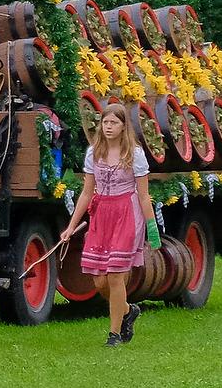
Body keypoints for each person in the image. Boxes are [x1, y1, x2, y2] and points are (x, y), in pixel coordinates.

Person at [60, 102, 158, 344]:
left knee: (115, 276)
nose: (108, 127)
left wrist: (152, 228)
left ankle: (114, 334)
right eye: (105, 122)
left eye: (114, 122)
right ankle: (126, 310)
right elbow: (86, 193)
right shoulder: (94, 152)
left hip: (126, 213)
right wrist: (71, 227)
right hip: (101, 214)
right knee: (99, 281)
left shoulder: (133, 154)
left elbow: (144, 195)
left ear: (124, 126)